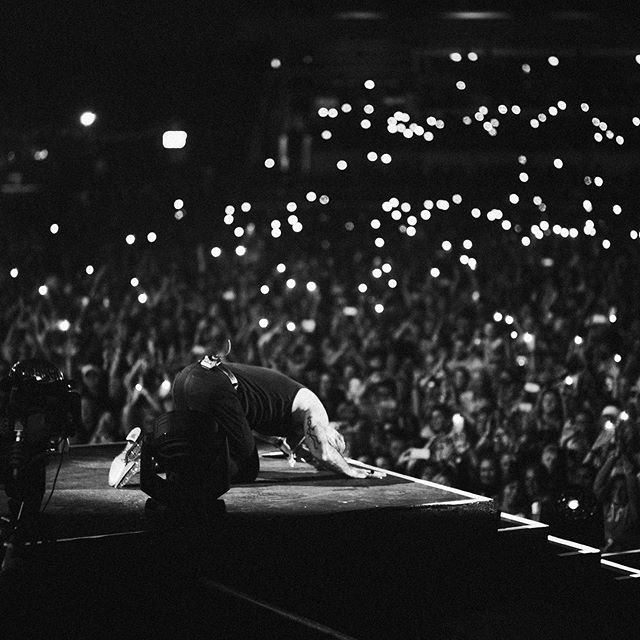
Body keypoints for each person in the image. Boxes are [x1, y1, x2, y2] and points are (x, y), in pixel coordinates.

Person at [110, 345, 377, 500]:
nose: (316, 457)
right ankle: (154, 454)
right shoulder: (315, 409)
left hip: (188, 378)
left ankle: (148, 451)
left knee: (198, 442)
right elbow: (323, 450)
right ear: (332, 432)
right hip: (215, 385)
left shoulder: (288, 414)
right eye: (337, 443)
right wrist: (350, 469)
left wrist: (285, 445)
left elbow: (252, 419)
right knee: (246, 467)